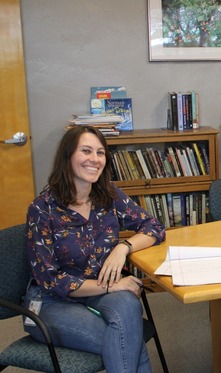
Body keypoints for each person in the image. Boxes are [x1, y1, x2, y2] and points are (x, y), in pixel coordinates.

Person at [25, 125, 165, 373]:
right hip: (51, 302)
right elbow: (51, 281)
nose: (95, 159)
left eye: (100, 153)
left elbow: (153, 226)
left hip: (98, 289)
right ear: (68, 156)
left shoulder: (108, 195)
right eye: (86, 151)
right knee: (128, 340)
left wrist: (123, 247)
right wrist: (111, 285)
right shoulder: (42, 209)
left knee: (129, 308)